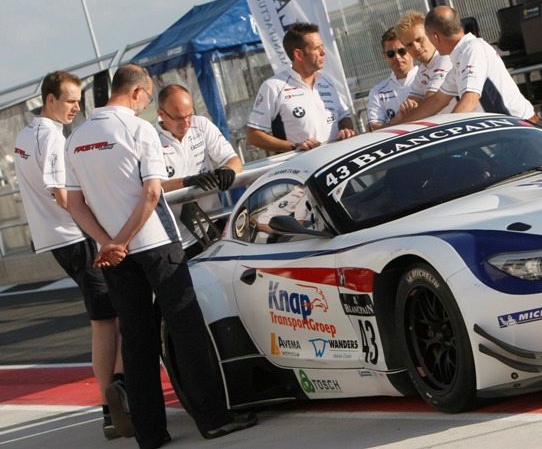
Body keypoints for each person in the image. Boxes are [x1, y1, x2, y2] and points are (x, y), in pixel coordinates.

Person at [64, 64, 257, 449]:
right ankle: (214, 419)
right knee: (187, 330)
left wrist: (109, 242)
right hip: (155, 242)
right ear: (136, 93)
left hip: (115, 255)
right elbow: (152, 193)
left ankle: (150, 434)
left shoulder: (77, 137)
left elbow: (73, 202)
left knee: (136, 341)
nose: (148, 105)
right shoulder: (138, 129)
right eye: (149, 98)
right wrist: (125, 238)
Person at [13, 71, 125, 440]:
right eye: (71, 100)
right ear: (50, 100)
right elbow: (62, 195)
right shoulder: (53, 136)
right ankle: (116, 401)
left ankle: (117, 399)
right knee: (113, 317)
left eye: (78, 99)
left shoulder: (25, 134)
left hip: (57, 240)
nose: (77, 107)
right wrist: (102, 231)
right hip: (76, 237)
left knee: (111, 316)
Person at [398, 6, 538, 123]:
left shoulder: (472, 50)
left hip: (521, 129)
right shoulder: (461, 56)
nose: (416, 47)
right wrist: (393, 129)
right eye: (409, 44)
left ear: (435, 36)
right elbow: (436, 101)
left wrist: (448, 134)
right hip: (510, 130)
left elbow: (470, 101)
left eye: (423, 39)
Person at [155, 84, 243, 259]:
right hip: (175, 238)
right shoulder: (149, 138)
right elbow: (152, 187)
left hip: (213, 222)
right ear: (161, 114)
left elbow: (234, 160)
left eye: (189, 115)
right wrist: (188, 182)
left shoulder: (201, 124)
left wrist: (227, 170)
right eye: (179, 118)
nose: (186, 123)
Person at [246, 22, 355, 153]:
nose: (323, 52)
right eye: (316, 48)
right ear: (298, 54)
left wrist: (346, 130)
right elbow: (253, 135)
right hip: (302, 169)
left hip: (336, 160)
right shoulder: (273, 86)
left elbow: (344, 116)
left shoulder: (327, 80)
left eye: (322, 46)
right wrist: (294, 146)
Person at [388, 9, 456, 124]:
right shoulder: (423, 69)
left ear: (430, 35)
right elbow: (408, 108)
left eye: (419, 39)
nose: (416, 47)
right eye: (409, 45)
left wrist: (402, 122)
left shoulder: (445, 59)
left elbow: (430, 104)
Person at [366, 28, 417, 130]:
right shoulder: (377, 91)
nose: (397, 57)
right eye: (391, 54)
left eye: (402, 51)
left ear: (410, 49)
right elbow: (372, 127)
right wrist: (398, 119)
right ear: (384, 56)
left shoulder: (427, 77)